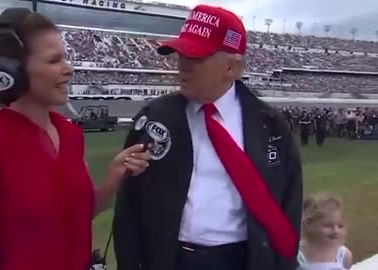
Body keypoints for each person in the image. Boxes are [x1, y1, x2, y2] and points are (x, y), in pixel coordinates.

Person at [0, 8, 151, 270]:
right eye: (54, 60)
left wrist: (114, 174)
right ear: (13, 71)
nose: (68, 69)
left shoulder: (71, 134)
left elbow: (80, 215)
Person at [113, 4, 303, 270]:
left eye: (195, 57)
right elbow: (129, 207)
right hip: (170, 260)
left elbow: (289, 205)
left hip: (243, 260)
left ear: (232, 67)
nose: (182, 66)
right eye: (180, 55)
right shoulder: (155, 118)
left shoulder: (270, 125)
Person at [298, 193, 353, 270]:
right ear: (309, 224)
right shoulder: (296, 256)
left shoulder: (344, 255)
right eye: (328, 225)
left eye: (340, 226)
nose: (336, 231)